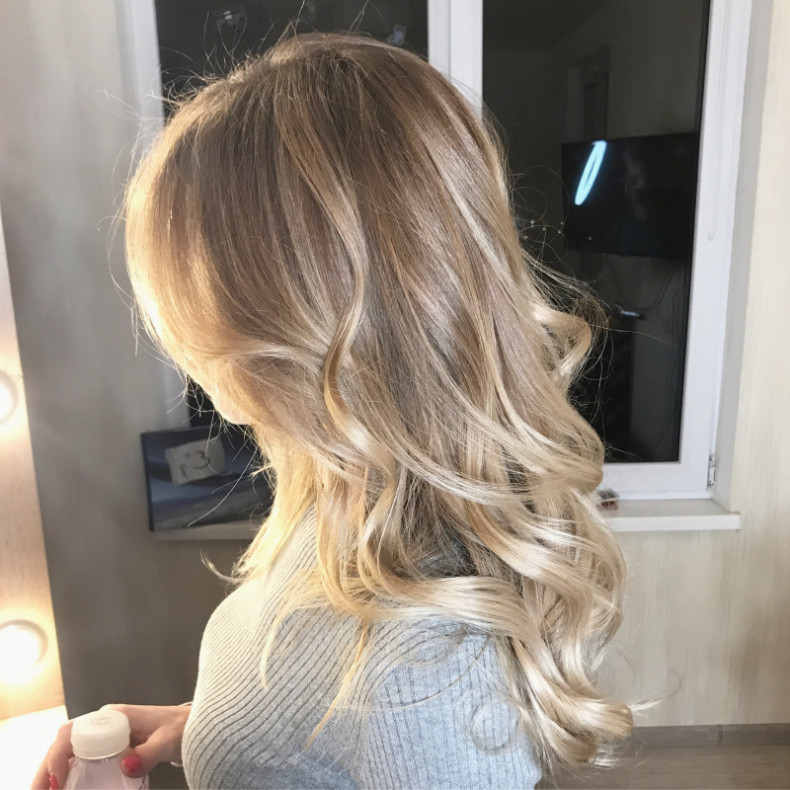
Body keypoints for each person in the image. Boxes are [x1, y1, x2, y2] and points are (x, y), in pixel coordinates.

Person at [33, 29, 633, 790]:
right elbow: (325, 708)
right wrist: (211, 727)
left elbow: (387, 716)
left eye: (198, 307)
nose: (187, 350)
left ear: (295, 325)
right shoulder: (348, 493)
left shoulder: (426, 674)